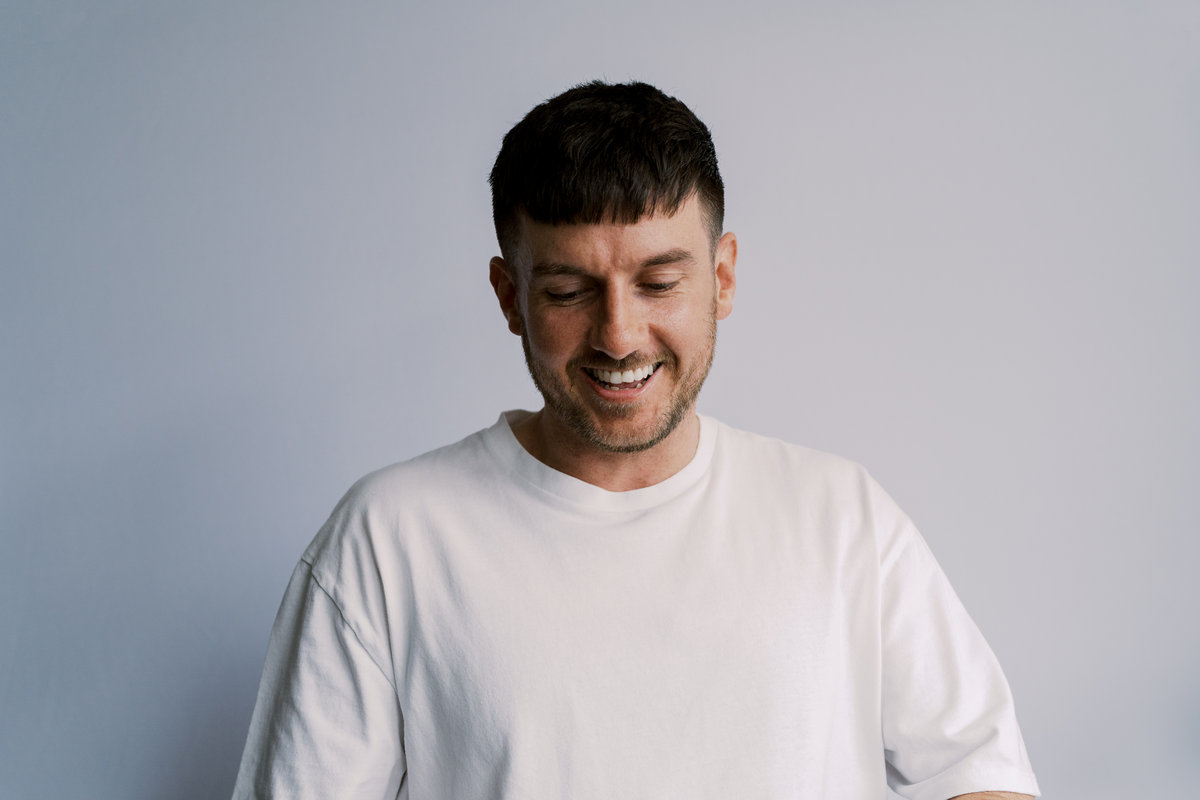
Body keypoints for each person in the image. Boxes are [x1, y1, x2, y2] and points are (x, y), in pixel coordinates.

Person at [232, 81, 1041, 800]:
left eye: (659, 283)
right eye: (568, 291)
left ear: (722, 278)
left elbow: (982, 775)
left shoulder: (841, 518)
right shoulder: (389, 540)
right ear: (509, 297)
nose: (619, 335)